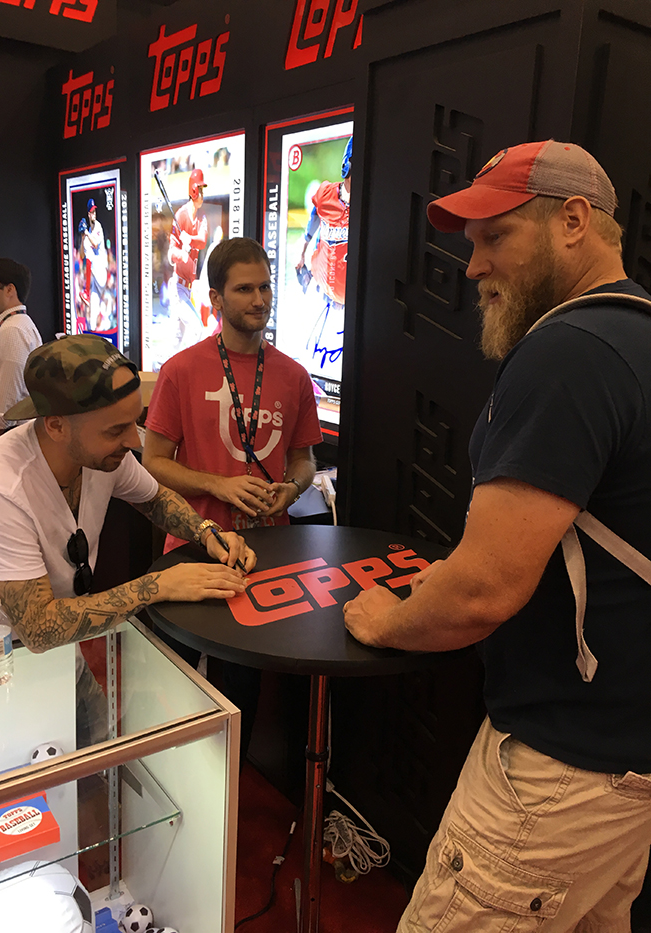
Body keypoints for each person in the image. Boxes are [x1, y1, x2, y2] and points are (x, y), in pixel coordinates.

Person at [344, 140, 651, 932]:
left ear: (574, 222)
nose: (472, 266)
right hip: (624, 773)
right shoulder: (636, 339)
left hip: (557, 774)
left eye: (495, 237)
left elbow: (482, 588)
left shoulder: (569, 352)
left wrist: (388, 618)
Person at [0, 333, 255, 660]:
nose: (132, 441)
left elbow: (154, 499)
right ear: (56, 426)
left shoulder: (100, 456)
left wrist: (206, 532)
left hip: (64, 652)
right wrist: (159, 586)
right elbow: (39, 627)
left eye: (134, 423)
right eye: (115, 430)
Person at [143, 236, 323, 759]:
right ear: (216, 300)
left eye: (265, 286)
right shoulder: (181, 370)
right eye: (244, 289)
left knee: (239, 694)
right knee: (170, 685)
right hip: (193, 552)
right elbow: (153, 461)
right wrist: (217, 484)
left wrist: (290, 489)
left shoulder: (292, 375)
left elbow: (303, 460)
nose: (259, 299)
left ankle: (228, 799)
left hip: (266, 558)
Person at [295, 136, 351, 378]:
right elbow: (316, 215)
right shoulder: (327, 193)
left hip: (346, 303)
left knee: (336, 371)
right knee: (305, 356)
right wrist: (303, 247)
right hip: (320, 291)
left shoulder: (369, 205)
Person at [0, 258, 42, 455]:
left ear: (9, 290)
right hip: (8, 435)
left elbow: (6, 401)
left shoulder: (12, 330)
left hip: (5, 437)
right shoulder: (18, 325)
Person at [167, 168, 209, 352]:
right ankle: (188, 372)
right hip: (177, 287)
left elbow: (202, 241)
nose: (202, 193)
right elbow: (170, 254)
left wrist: (189, 239)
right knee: (197, 328)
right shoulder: (181, 215)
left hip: (188, 288)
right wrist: (181, 254)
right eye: (199, 189)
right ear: (193, 190)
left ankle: (161, 368)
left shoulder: (202, 217)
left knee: (176, 340)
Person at [79, 198, 108, 331]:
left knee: (92, 257)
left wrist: (86, 233)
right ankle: (92, 331)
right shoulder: (87, 233)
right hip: (94, 276)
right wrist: (82, 237)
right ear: (88, 214)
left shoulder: (98, 226)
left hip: (101, 270)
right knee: (93, 308)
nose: (94, 214)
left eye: (95, 211)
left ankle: (85, 291)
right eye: (91, 212)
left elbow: (95, 243)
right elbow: (81, 255)